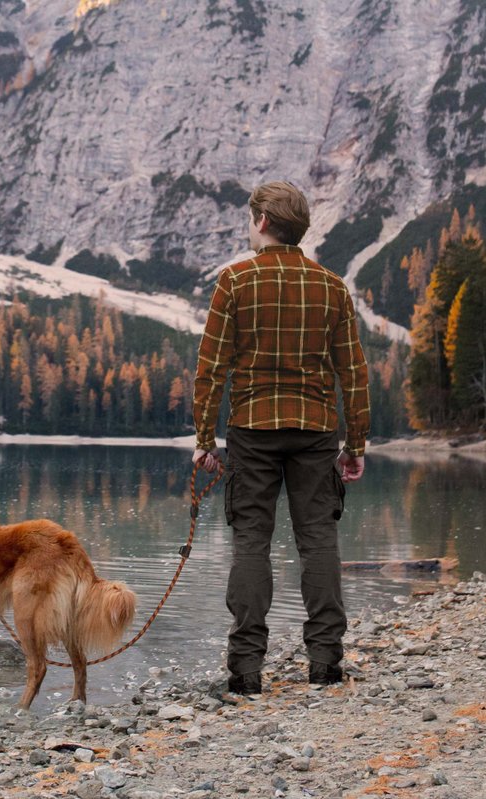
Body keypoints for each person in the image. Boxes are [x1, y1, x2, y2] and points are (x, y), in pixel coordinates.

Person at [192, 180, 370, 695]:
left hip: (252, 430)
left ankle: (246, 670)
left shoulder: (234, 282)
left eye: (251, 219)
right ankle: (326, 665)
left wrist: (205, 438)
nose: (250, 228)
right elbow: (353, 373)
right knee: (319, 541)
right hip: (316, 432)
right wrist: (355, 444)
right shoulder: (333, 287)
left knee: (252, 542)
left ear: (263, 222)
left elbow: (211, 369)